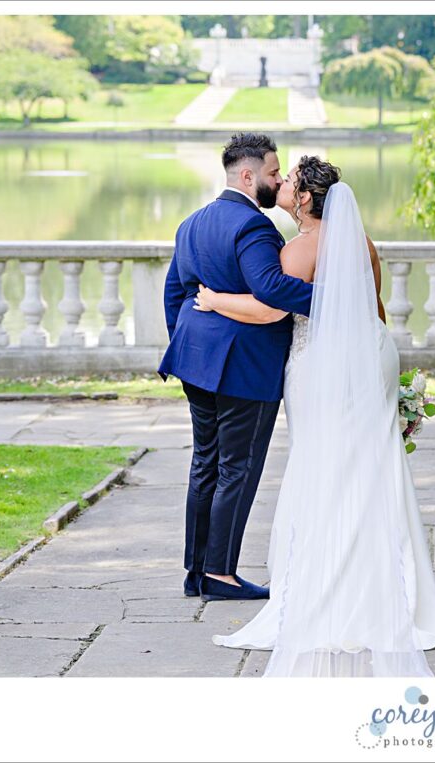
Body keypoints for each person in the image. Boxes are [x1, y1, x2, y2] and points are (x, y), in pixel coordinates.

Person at [197, 156, 435, 676]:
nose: (284, 187)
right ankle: (396, 593)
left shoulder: (298, 249)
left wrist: (215, 299)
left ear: (307, 200)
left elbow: (272, 308)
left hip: (321, 365)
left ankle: (330, 592)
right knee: (375, 465)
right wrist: (391, 383)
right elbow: (376, 310)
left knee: (323, 467)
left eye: (290, 182)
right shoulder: (362, 244)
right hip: (373, 355)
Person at [158, 133, 313, 602]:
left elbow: (174, 293)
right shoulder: (255, 228)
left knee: (205, 463)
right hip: (245, 368)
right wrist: (339, 297)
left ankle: (197, 571)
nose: (278, 179)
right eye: (272, 172)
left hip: (196, 364)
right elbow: (270, 287)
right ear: (247, 176)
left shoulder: (191, 223)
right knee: (236, 470)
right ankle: (220, 575)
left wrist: (190, 346)